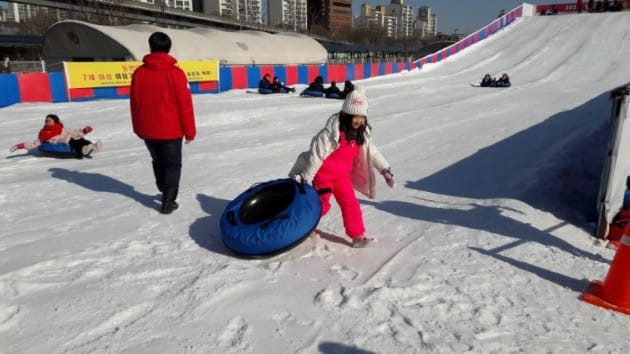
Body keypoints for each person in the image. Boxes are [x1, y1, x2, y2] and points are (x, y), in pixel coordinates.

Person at [288, 86, 395, 248]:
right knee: (322, 204)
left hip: (342, 176)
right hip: (323, 175)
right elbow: (316, 156)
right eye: (355, 118)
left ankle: (357, 235)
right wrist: (306, 178)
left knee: (350, 203)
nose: (359, 122)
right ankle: (303, 226)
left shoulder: (362, 133)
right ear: (345, 115)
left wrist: (384, 169)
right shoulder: (331, 134)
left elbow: (372, 152)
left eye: (362, 118)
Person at [130, 31, 196, 215]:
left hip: (148, 129)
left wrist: (138, 127)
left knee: (157, 160)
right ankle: (168, 201)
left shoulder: (139, 73)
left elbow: (135, 103)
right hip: (171, 130)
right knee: (173, 165)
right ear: (168, 48)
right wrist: (189, 131)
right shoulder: (175, 74)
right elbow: (185, 106)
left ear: (150, 48)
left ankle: (163, 187)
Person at [9, 113, 101, 158]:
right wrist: (21, 146)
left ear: (55, 122)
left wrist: (84, 131)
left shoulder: (62, 129)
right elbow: (33, 145)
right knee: (70, 139)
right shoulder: (43, 134)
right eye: (46, 121)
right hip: (60, 143)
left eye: (49, 120)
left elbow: (74, 132)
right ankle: (84, 149)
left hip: (69, 140)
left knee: (77, 138)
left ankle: (92, 147)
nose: (46, 122)